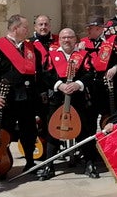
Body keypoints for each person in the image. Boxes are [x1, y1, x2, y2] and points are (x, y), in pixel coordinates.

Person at [0, 15, 46, 176]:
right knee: (4, 131)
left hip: (28, 97)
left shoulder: (31, 48)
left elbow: (38, 73)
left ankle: (30, 162)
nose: (28, 30)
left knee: (29, 130)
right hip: (7, 97)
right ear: (15, 28)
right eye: (25, 27)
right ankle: (1, 163)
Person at [40, 28, 96, 180]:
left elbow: (91, 73)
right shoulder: (51, 55)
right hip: (57, 97)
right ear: (59, 40)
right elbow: (45, 73)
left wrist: (78, 84)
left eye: (70, 37)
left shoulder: (83, 55)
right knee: (53, 130)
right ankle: (48, 166)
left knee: (84, 129)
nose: (66, 40)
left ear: (75, 39)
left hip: (78, 98)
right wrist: (59, 85)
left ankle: (89, 163)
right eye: (64, 37)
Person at [79, 15, 117, 127]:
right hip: (92, 86)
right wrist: (79, 51)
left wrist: (115, 67)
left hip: (111, 83)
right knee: (91, 116)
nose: (87, 31)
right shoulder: (83, 43)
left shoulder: (112, 40)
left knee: (114, 115)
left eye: (90, 28)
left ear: (99, 29)